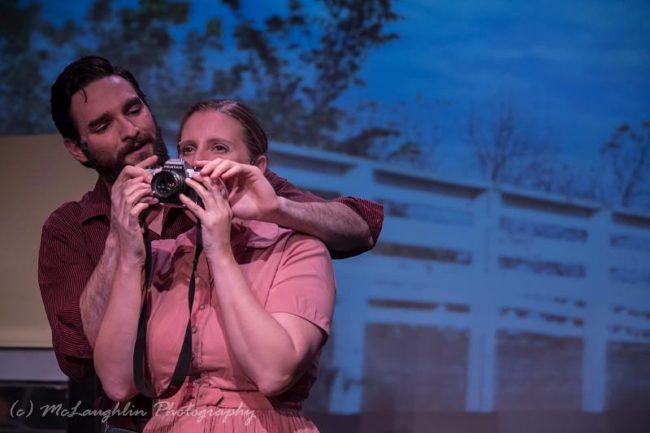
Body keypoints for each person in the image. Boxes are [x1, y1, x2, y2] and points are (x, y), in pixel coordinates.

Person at [38, 56, 383, 431]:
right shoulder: (71, 226)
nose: (129, 130)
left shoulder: (224, 184)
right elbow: (78, 355)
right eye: (103, 125)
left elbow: (361, 223)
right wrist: (119, 245)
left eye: (134, 109)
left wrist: (277, 208)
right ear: (77, 148)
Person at [94, 98, 335, 432]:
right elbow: (118, 383)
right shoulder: (165, 255)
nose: (199, 161)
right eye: (188, 149)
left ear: (258, 166)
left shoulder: (297, 249)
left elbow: (274, 373)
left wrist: (220, 250)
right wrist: (130, 254)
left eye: (218, 147)